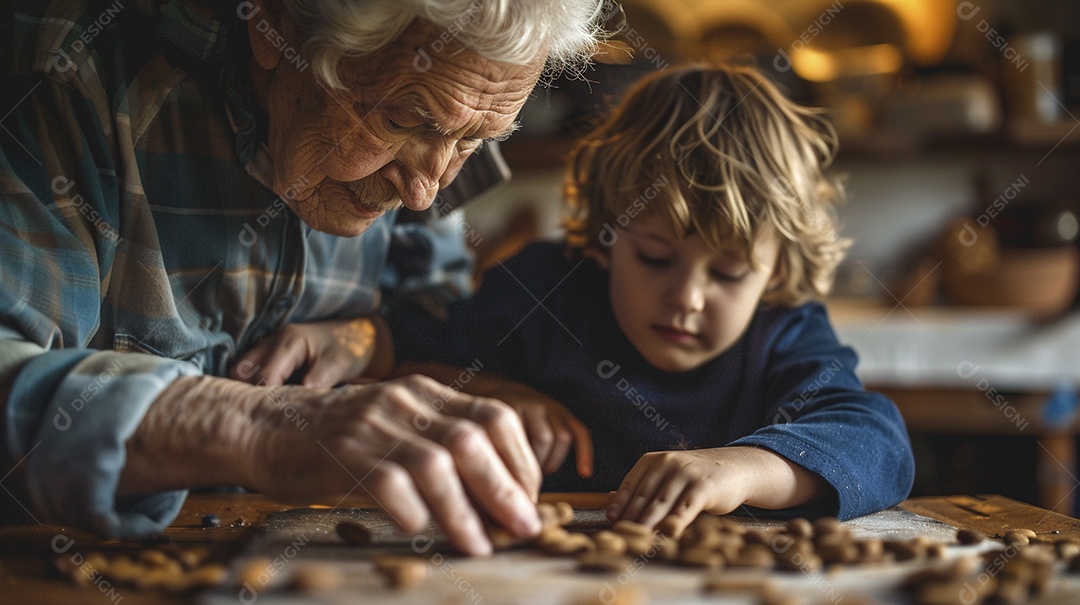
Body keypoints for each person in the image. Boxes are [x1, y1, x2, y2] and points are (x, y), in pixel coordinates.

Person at [0, 0, 605, 556]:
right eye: (400, 119)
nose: (424, 195)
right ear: (275, 26)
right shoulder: (63, 72)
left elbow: (431, 314)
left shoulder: (446, 119)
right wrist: (258, 428)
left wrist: (366, 340)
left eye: (474, 142)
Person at [386, 65, 916, 534]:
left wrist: (740, 468)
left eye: (729, 274)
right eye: (656, 259)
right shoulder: (542, 288)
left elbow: (880, 443)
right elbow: (396, 358)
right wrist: (492, 392)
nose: (686, 299)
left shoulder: (785, 330)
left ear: (775, 276)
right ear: (604, 238)